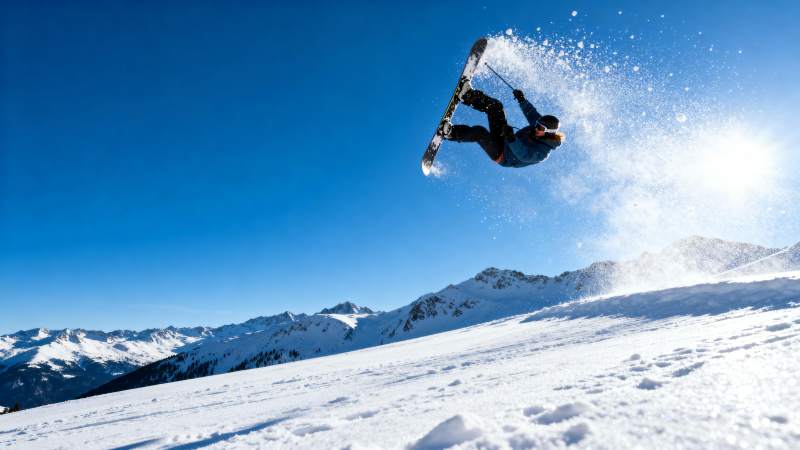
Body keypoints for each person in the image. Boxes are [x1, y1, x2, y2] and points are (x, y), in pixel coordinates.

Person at [443, 84, 564, 168]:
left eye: (541, 128)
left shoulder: (543, 152)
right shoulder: (538, 127)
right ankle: (467, 95)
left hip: (502, 155)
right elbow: (531, 113)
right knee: (496, 107)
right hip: (506, 139)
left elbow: (524, 155)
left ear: (549, 132)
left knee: (480, 132)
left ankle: (450, 133)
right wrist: (522, 100)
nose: (536, 128)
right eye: (537, 124)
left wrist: (512, 138)